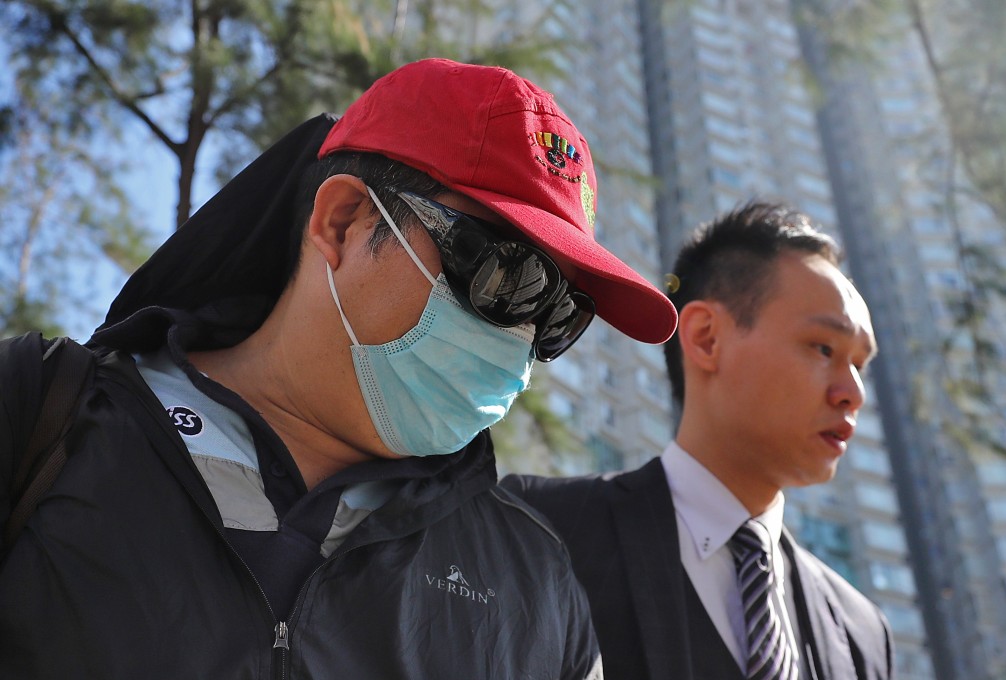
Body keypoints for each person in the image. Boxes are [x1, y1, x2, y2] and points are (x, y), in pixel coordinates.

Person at [0, 58, 679, 679]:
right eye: (509, 276)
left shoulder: (538, 586)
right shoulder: (40, 414)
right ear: (344, 221)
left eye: (560, 316)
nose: (523, 338)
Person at [503, 202, 894, 680]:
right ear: (706, 338)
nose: (852, 394)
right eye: (825, 348)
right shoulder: (534, 529)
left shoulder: (862, 632)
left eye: (861, 365)